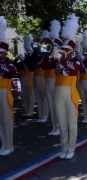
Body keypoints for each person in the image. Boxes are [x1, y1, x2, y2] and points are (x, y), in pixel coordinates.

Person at [55, 14, 81, 159]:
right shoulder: (58, 61)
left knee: (71, 123)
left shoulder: (76, 61)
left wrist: (63, 61)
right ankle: (63, 147)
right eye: (63, 49)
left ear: (71, 51)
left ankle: (71, 148)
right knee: (62, 122)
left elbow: (73, 71)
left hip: (71, 95)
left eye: (66, 50)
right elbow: (55, 68)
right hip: (59, 94)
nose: (63, 51)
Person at [0, 16, 17, 156]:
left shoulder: (9, 64)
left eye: (1, 52)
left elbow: (11, 73)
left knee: (7, 119)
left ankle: (9, 144)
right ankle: (3, 143)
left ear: (5, 53)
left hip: (5, 93)